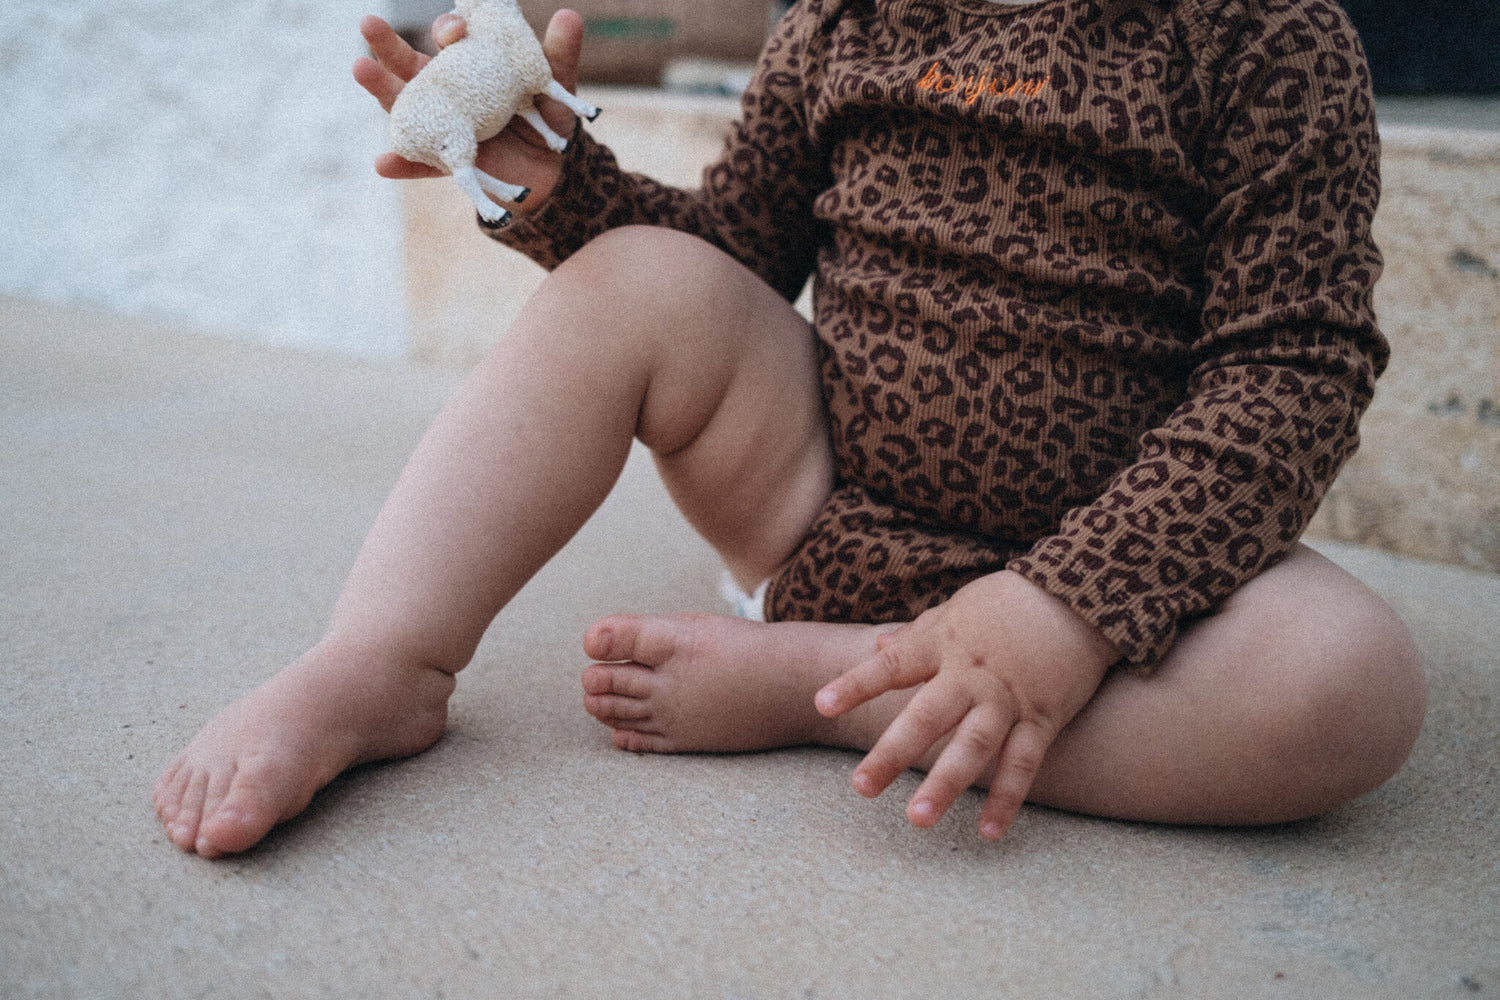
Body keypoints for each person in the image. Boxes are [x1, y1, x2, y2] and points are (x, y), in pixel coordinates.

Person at [154, 0, 1426, 858]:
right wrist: (561, 194)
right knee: (639, 277)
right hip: (825, 507)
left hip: (1122, 593)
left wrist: (1065, 610)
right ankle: (380, 660)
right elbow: (729, 263)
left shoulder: (1267, 38)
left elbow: (1292, 365)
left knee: (1346, 687)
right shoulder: (842, 20)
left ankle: (824, 688)